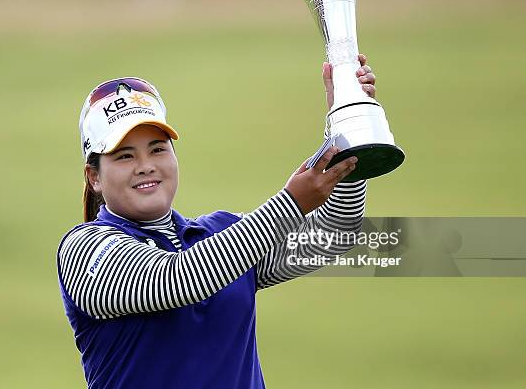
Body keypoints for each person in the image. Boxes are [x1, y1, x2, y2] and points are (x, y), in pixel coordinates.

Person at [57, 54, 376, 389]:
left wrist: (348, 130)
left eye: (157, 149)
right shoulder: (84, 250)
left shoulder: (223, 233)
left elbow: (335, 233)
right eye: (124, 156)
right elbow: (174, 279)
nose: (145, 165)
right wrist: (291, 203)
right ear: (94, 176)